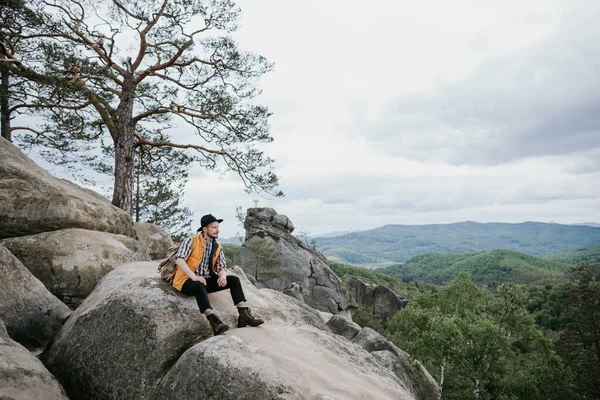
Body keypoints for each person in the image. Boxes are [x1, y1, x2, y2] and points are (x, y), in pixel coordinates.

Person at [172, 214, 264, 335]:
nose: (217, 230)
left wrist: (222, 276)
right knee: (199, 284)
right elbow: (179, 260)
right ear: (205, 229)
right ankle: (214, 321)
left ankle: (243, 315)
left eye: (217, 227)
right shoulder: (191, 241)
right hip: (186, 280)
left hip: (206, 280)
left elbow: (220, 266)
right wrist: (194, 277)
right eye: (214, 227)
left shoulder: (217, 246)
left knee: (234, 280)